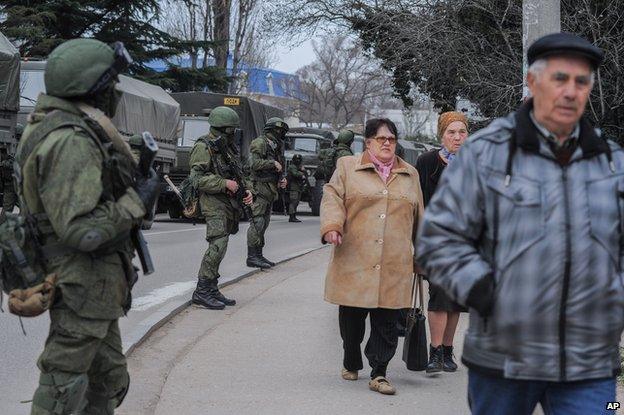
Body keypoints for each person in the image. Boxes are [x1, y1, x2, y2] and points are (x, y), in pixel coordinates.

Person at [417, 33, 621, 414]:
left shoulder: (612, 163)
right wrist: (484, 291)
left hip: (590, 365)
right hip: (502, 362)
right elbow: (438, 237)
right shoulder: (485, 154)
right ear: (532, 82)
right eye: (560, 78)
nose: (571, 91)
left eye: (582, 81)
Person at [17, 39, 159, 414]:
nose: (114, 93)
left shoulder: (68, 128)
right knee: (64, 383)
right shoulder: (71, 140)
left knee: (109, 381)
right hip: (80, 280)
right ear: (91, 89)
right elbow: (83, 230)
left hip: (94, 284)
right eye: (109, 85)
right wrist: (137, 200)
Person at [321, 118, 424, 396]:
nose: (387, 143)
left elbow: (419, 216)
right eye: (381, 139)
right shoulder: (347, 167)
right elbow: (332, 197)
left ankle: (379, 373)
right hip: (355, 258)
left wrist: (424, 254)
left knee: (387, 321)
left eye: (391, 139)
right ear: (367, 143)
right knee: (352, 321)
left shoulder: (409, 173)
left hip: (394, 261)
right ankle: (351, 358)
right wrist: (332, 226)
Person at [417, 111, 469, 374]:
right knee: (439, 295)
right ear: (442, 135)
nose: (457, 137)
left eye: (462, 132)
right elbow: (418, 203)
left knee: (456, 299)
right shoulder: (427, 162)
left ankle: (448, 351)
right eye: (451, 132)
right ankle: (434, 352)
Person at [189, 106, 254, 310]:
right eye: (231, 129)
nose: (233, 133)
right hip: (212, 202)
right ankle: (202, 290)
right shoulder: (204, 146)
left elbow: (240, 174)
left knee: (222, 244)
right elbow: (196, 179)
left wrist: (248, 190)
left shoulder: (227, 147)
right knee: (218, 244)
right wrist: (224, 183)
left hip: (227, 203)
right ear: (223, 128)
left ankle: (211, 288)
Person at [246, 117, 288, 269]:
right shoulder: (260, 143)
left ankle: (259, 255)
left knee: (264, 224)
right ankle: (252, 257)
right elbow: (253, 164)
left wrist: (281, 178)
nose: (280, 133)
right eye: (279, 130)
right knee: (257, 223)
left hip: (269, 189)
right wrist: (272, 163)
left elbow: (278, 167)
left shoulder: (275, 146)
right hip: (259, 188)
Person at [0, 123, 21, 223]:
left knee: (7, 208)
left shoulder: (7, 146)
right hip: (17, 183)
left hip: (8, 183)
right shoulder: (20, 146)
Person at [286, 154, 306, 223]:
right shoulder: (292, 167)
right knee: (293, 202)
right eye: (296, 159)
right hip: (293, 187)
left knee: (296, 202)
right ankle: (291, 217)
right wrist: (301, 173)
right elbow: (295, 174)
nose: (298, 161)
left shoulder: (299, 167)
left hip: (298, 187)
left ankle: (294, 216)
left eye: (299, 160)